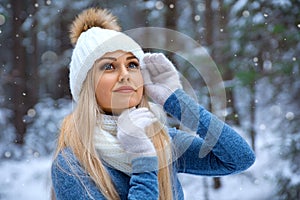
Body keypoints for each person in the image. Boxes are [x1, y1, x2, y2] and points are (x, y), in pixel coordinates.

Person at [51, 7, 255, 200]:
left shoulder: (161, 141)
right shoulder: (71, 164)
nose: (125, 75)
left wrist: (176, 100)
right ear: (86, 86)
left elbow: (239, 157)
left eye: (132, 64)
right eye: (109, 67)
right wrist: (143, 160)